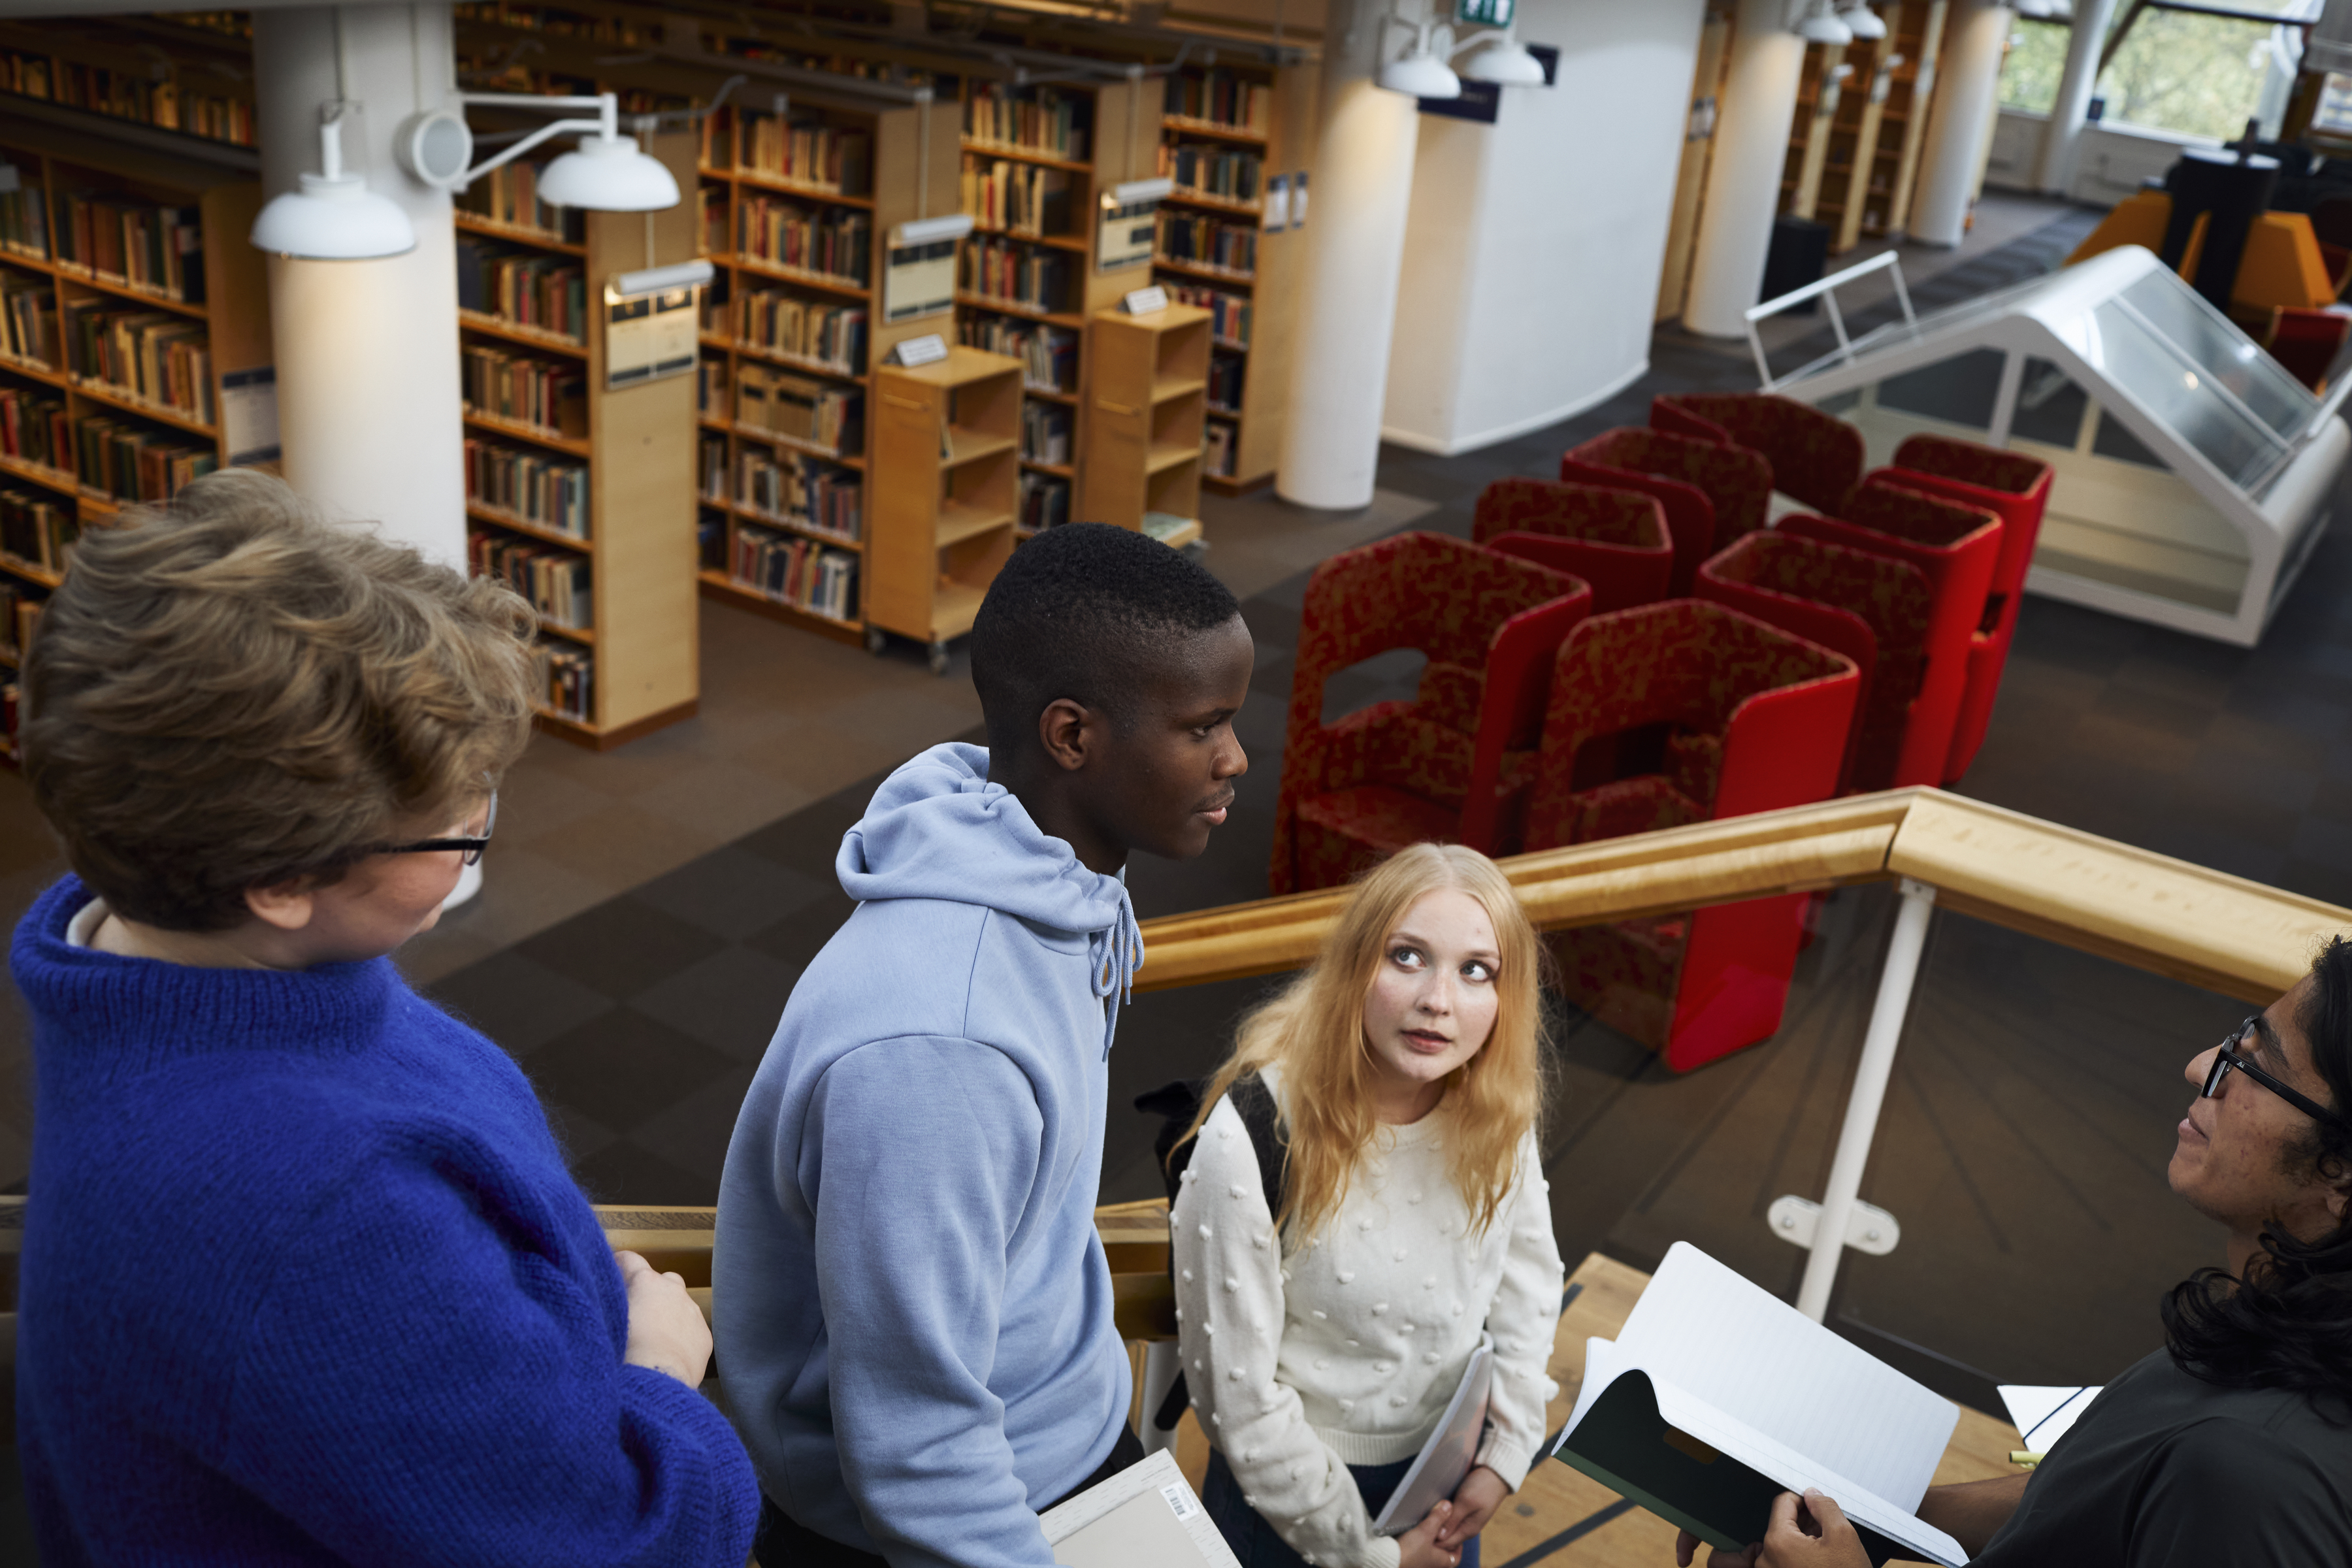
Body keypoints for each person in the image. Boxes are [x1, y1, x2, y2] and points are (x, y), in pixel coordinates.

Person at [12, 472, 759, 1565]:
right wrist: (655, 1379)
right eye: (455, 833)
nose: (477, 838)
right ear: (277, 880)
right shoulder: (310, 1215)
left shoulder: (155, 956)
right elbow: (617, 1545)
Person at [714, 522, 1254, 1568]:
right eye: (1204, 726)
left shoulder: (1053, 876)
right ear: (1070, 736)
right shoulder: (939, 1053)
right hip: (970, 1512)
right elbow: (918, 1452)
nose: (1236, 757)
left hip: (1064, 1428)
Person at [1679, 937, 2352, 1567]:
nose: (2203, 1066)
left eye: (2258, 1066)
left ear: (2341, 1175)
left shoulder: (2255, 1476)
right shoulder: (2286, 1314)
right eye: (2241, 1039)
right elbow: (2083, 1507)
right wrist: (1858, 1514)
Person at [1171, 843, 1566, 1568]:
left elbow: (1529, 1284)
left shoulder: (1495, 1108)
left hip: (1444, 1481)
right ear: (1356, 964)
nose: (1437, 1002)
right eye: (1407, 956)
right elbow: (1240, 1406)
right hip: (1291, 1502)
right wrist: (1371, 1556)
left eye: (1476, 970)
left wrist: (1505, 1450)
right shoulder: (1255, 1134)